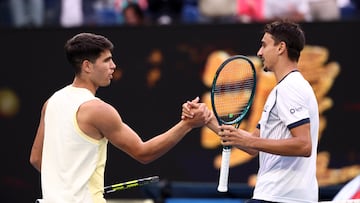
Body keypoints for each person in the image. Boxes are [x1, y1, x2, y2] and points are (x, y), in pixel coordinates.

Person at [29, 32, 212, 203]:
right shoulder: (98, 110)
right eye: (106, 60)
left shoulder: (51, 102)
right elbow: (144, 153)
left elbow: (36, 159)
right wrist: (187, 125)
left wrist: (67, 185)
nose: (113, 66)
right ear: (87, 66)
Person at [183, 19, 319, 203]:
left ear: (281, 48)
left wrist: (250, 139)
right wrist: (209, 119)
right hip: (276, 196)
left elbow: (304, 145)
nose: (259, 52)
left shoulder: (291, 88)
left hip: (282, 197)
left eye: (264, 45)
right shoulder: (281, 89)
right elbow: (251, 146)